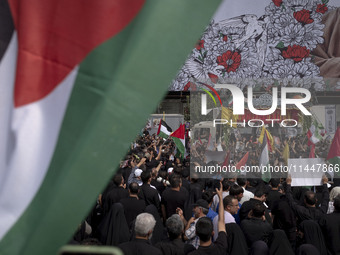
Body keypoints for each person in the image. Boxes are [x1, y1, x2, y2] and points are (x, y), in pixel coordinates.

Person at [188, 182, 228, 255]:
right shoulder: (221, 247)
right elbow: (221, 221)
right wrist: (220, 198)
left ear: (196, 233)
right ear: (213, 233)